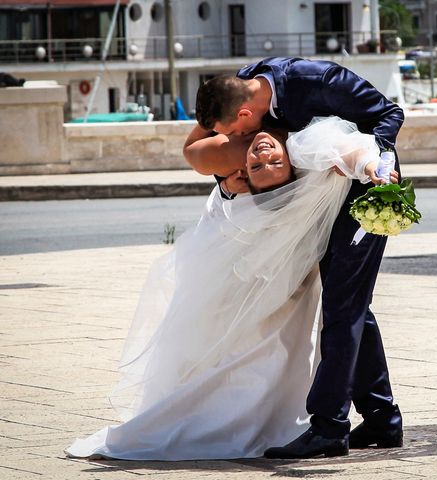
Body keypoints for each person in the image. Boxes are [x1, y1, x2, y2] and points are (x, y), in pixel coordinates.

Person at [65, 117, 385, 460]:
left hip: (310, 226)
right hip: (279, 236)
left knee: (340, 316)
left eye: (266, 163)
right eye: (264, 164)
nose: (263, 155)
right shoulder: (285, 156)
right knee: (327, 321)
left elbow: (198, 152)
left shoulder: (280, 150)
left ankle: (378, 416)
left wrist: (227, 182)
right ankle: (381, 416)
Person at [191, 57, 404, 459]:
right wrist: (227, 177)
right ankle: (381, 419)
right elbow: (197, 149)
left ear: (245, 113)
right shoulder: (243, 83)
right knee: (353, 305)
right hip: (321, 196)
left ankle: (329, 427)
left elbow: (390, 113)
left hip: (367, 187)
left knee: (343, 307)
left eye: (236, 131)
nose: (238, 140)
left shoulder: (319, 80)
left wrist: (380, 164)